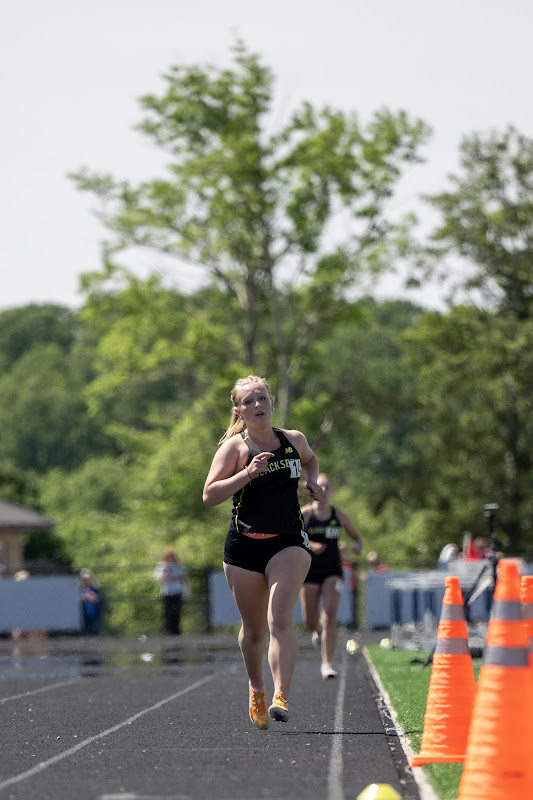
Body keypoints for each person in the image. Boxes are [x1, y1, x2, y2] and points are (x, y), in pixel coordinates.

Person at [203, 374, 323, 730]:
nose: (257, 405)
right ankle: (257, 688)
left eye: (262, 398)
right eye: (249, 401)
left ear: (272, 402)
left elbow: (310, 460)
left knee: (280, 619)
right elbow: (210, 495)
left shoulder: (293, 439)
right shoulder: (235, 449)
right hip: (245, 547)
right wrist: (247, 474)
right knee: (254, 631)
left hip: (288, 541)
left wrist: (311, 480)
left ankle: (280, 696)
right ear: (239, 410)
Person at [299, 474, 363, 679]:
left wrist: (357, 546)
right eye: (320, 486)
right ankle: (317, 633)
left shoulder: (339, 515)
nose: (324, 491)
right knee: (310, 622)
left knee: (329, 617)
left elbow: (357, 537)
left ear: (332, 491)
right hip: (309, 572)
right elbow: (292, 537)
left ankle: (326, 663)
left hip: (333, 571)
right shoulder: (305, 514)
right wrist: (310, 544)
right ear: (312, 490)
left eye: (327, 487)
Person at [153, 548, 189, 635]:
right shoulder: (162, 566)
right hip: (167, 592)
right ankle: (168, 631)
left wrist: (172, 576)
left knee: (176, 612)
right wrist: (165, 574)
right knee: (167, 612)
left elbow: (183, 577)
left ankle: (176, 631)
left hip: (177, 591)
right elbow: (159, 579)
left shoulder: (178, 566)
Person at [80, 568, 102, 636]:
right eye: (84, 580)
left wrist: (93, 598)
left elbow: (99, 599)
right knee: (84, 633)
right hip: (82, 615)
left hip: (94, 614)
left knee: (94, 633)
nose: (86, 582)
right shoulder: (79, 589)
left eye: (87, 580)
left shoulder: (95, 589)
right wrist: (83, 599)